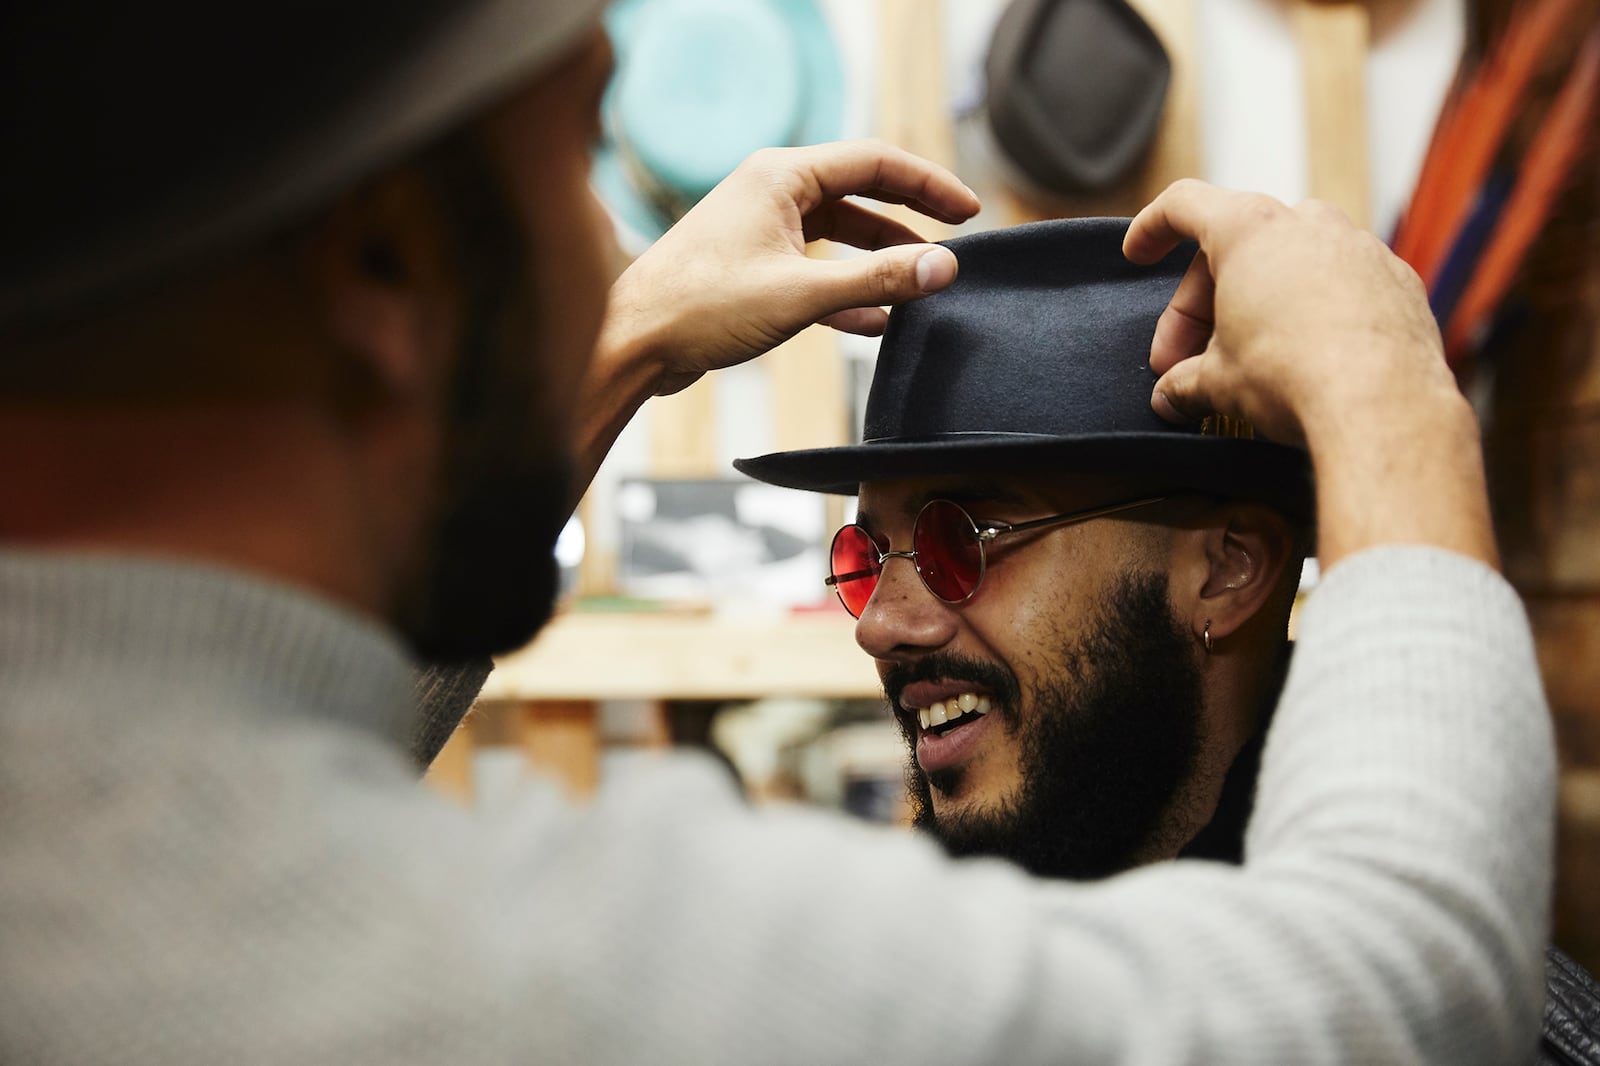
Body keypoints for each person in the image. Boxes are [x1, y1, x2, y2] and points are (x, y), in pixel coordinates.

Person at [0, 5, 1555, 1065]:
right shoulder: (621, 964)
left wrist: (612, 348)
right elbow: (1400, 993)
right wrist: (1388, 398)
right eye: (580, 150)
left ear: (1230, 564)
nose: (878, 619)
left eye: (957, 536)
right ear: (390, 272)